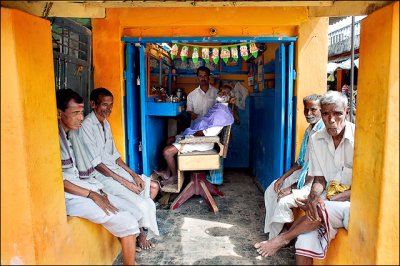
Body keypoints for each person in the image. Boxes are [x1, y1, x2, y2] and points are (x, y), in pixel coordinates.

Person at [254, 90, 355, 265]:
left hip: (352, 204)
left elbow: (369, 186)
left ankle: (282, 239)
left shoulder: (359, 138)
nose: (331, 120)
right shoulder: (316, 139)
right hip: (327, 202)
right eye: (326, 114)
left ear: (346, 112)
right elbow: (319, 179)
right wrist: (312, 197)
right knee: (303, 242)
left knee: (321, 208)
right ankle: (288, 237)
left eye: (337, 113)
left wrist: (344, 195)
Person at [56, 89, 141, 265]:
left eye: (81, 112)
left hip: (84, 186)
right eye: (75, 113)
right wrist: (91, 194)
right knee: (127, 221)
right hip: (71, 194)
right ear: (59, 113)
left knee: (133, 210)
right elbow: (58, 181)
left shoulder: (72, 133)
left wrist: (95, 190)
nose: (81, 117)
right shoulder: (53, 138)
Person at [79, 88, 159, 250]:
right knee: (137, 201)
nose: (108, 108)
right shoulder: (87, 125)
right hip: (101, 176)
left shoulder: (105, 124)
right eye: (104, 104)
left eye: (111, 105)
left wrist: (133, 175)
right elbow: (98, 165)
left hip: (115, 170)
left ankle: (140, 229)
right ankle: (139, 236)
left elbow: (115, 156)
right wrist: (125, 182)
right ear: (93, 104)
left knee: (151, 187)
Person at [263, 94, 324, 240]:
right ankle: (273, 230)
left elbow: (316, 173)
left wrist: (291, 188)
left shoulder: (323, 133)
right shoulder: (310, 130)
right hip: (303, 175)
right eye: (306, 109)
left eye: (313, 110)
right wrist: (282, 178)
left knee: (283, 200)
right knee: (271, 189)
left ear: (322, 109)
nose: (308, 114)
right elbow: (300, 161)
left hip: (314, 181)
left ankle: (275, 239)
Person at [155, 87, 234, 186]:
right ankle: (167, 172)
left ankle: (174, 177)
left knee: (167, 152)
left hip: (204, 142)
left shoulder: (221, 113)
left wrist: (191, 134)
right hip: (201, 138)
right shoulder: (219, 108)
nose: (221, 93)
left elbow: (207, 133)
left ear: (229, 97)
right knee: (170, 139)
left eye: (225, 92)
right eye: (221, 91)